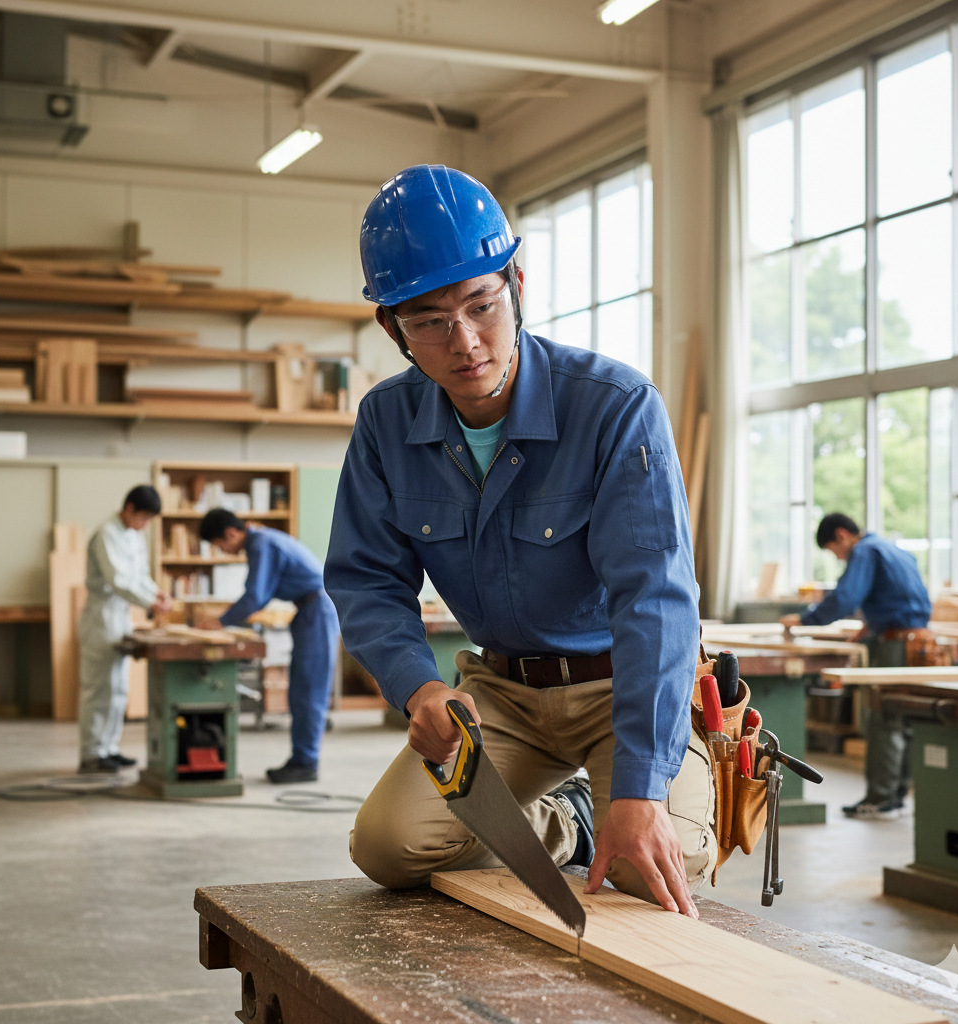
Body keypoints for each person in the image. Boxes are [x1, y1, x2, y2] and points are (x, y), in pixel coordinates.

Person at [325, 164, 707, 915]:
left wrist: (636, 788)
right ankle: (565, 821)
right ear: (391, 327)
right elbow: (367, 579)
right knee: (388, 846)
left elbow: (654, 598)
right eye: (429, 320)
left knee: (663, 861)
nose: (464, 341)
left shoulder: (617, 407)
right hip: (499, 697)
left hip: (618, 687)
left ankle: (597, 809)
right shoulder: (384, 424)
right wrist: (421, 687)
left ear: (517, 285)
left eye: (481, 305)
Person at [781, 512, 932, 819]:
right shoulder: (893, 549)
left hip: (895, 645)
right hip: (919, 642)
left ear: (841, 535)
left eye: (834, 551)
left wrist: (803, 619)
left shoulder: (864, 551)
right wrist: (868, 629)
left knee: (882, 717)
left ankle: (880, 800)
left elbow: (846, 598)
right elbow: (899, 598)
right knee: (902, 719)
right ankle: (897, 797)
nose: (838, 558)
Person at [197, 510, 340, 784]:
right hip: (308, 610)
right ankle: (301, 758)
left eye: (219, 545)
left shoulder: (260, 544)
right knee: (301, 690)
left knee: (308, 691)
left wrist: (220, 621)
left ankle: (306, 762)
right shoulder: (263, 539)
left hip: (317, 610)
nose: (223, 551)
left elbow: (256, 596)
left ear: (231, 534)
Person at [79, 485, 172, 774]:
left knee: (118, 686)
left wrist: (157, 594)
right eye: (143, 517)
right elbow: (118, 579)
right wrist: (148, 601)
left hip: (122, 614)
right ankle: (91, 753)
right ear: (129, 509)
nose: (145, 525)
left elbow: (139, 576)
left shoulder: (133, 536)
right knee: (99, 688)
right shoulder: (106, 533)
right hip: (102, 615)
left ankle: (109, 748)